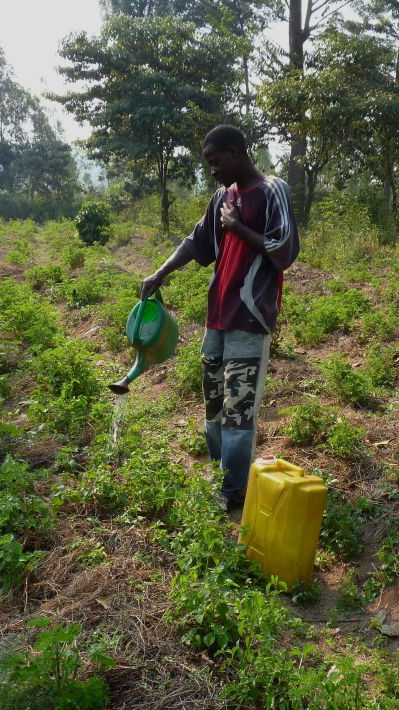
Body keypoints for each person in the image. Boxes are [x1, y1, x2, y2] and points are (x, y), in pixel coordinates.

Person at [140, 125, 299, 510]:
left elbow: (285, 250)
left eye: (215, 162)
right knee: (214, 407)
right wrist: (160, 272)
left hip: (249, 319)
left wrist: (239, 227)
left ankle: (233, 492)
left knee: (239, 410)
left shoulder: (271, 190)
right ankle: (221, 477)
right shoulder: (221, 197)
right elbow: (197, 242)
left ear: (235, 152)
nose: (212, 170)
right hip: (217, 318)